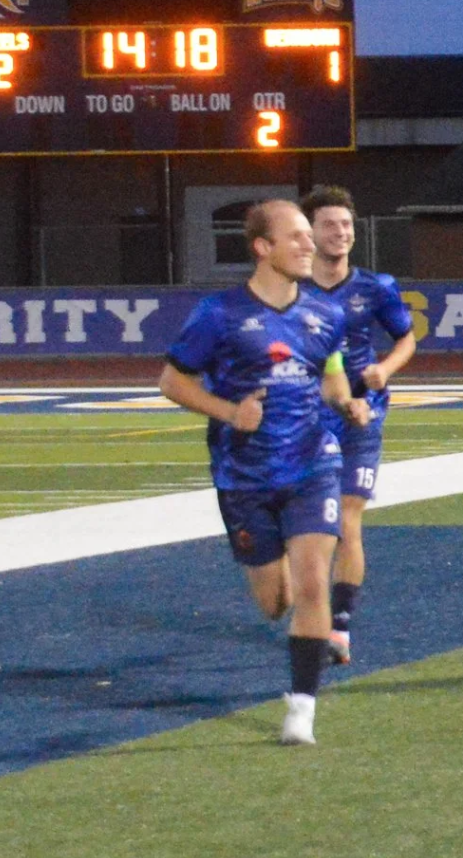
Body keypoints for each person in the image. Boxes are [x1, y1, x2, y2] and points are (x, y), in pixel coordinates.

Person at [158, 199, 372, 746]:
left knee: (312, 582)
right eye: (295, 236)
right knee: (274, 602)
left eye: (308, 235)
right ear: (262, 247)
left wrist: (346, 402)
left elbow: (329, 374)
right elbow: (172, 382)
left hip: (313, 464)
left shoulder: (326, 314)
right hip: (244, 476)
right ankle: (288, 594)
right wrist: (231, 413)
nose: (308, 244)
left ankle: (302, 709)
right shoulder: (219, 314)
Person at [299, 186, 418, 665]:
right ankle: (308, 605)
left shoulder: (376, 287)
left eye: (346, 224)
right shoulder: (290, 291)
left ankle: (341, 626)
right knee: (311, 526)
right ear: (309, 232)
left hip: (364, 414)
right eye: (330, 225)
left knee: (348, 520)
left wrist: (384, 370)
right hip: (308, 417)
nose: (341, 233)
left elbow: (406, 339)